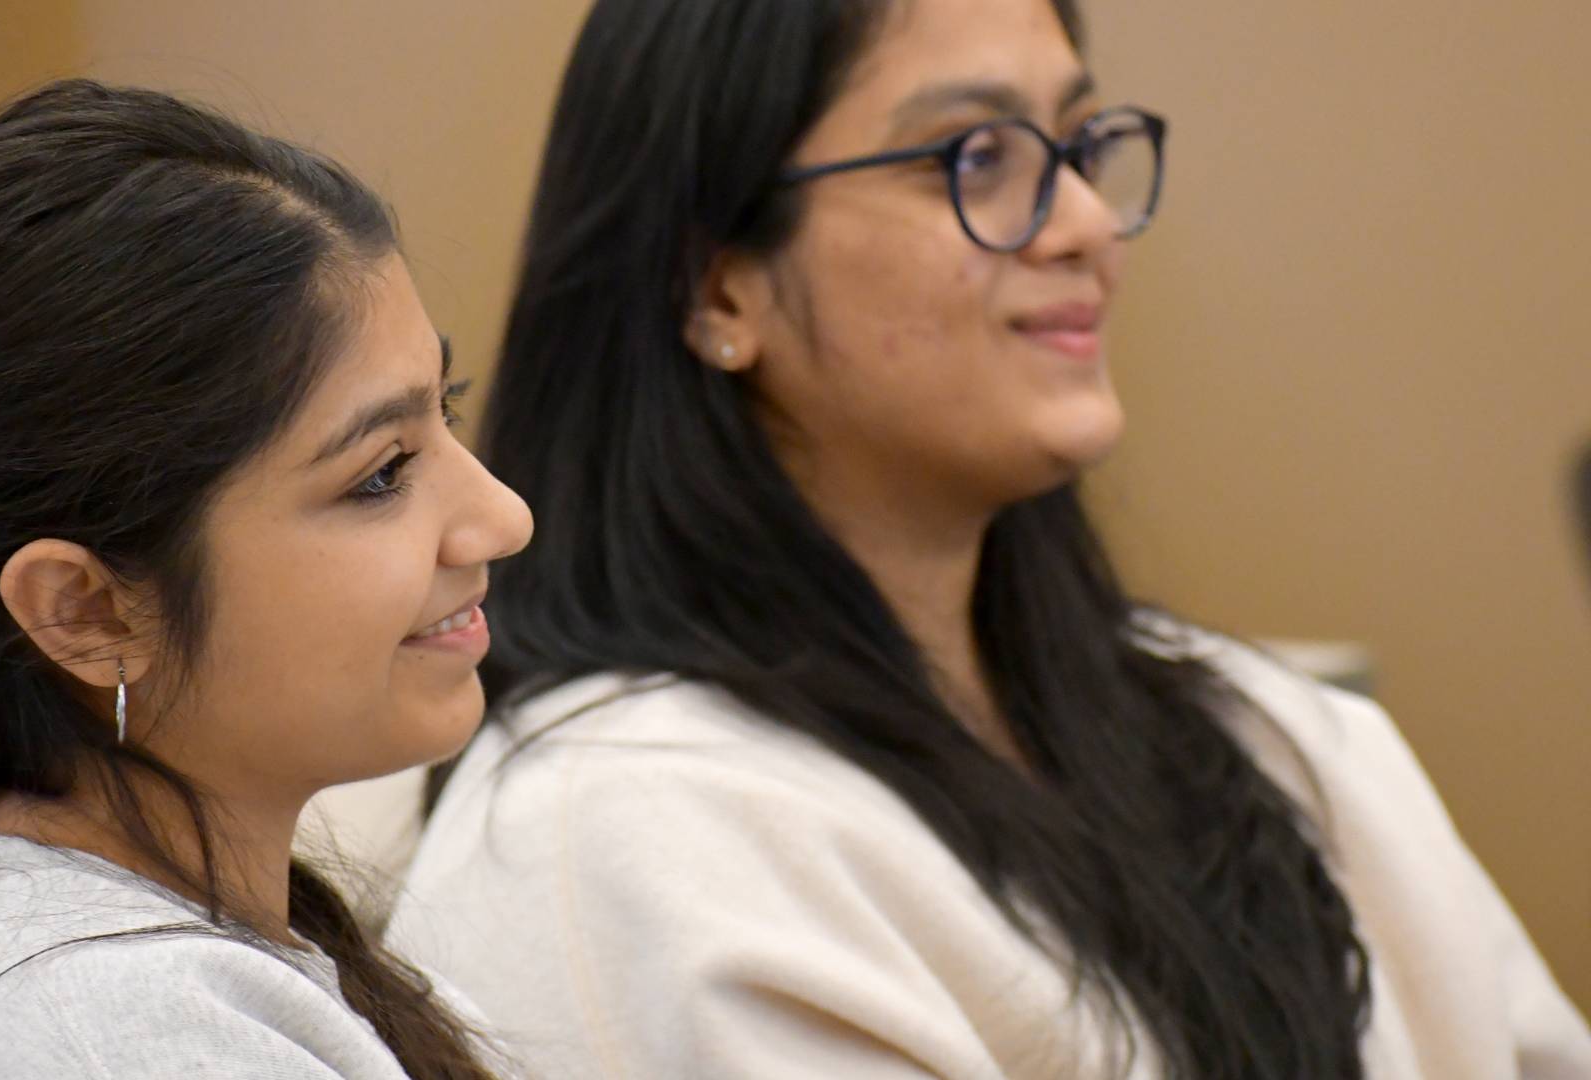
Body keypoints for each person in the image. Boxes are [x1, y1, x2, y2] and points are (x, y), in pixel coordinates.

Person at [386, 1, 1591, 1077]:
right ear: (719, 288)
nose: (1081, 224)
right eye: (976, 155)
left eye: (1077, 147)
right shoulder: (614, 840)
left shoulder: (1279, 732)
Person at [0, 80, 530, 1080]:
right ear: (85, 610)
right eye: (380, 473)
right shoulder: (104, 1036)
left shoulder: (142, 976)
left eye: (447, 412)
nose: (502, 518)